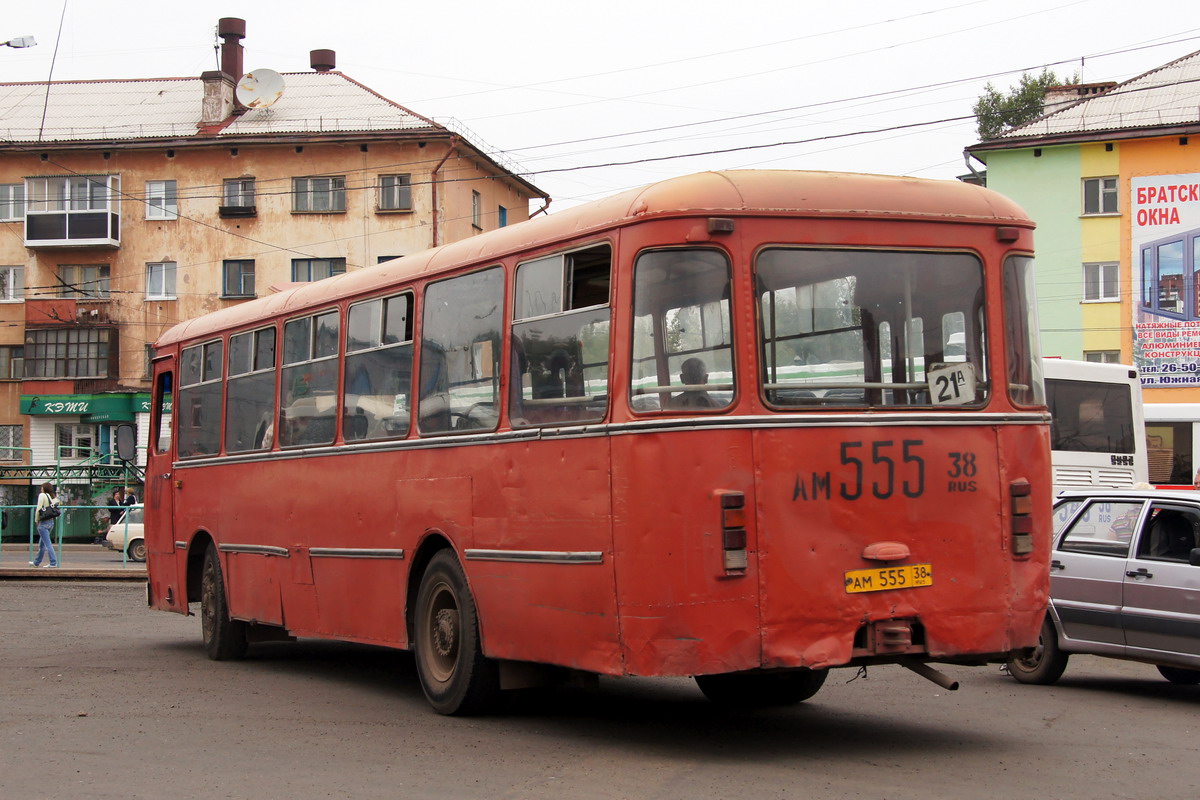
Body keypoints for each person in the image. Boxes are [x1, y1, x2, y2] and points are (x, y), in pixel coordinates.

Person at [30, 482, 61, 569]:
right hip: (51, 522)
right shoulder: (53, 497)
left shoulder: (42, 495)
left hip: (43, 523)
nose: (41, 489)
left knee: (47, 544)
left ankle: (53, 562)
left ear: (44, 488)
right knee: (42, 544)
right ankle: (36, 562)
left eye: (41, 487)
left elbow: (38, 509)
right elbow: (57, 505)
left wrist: (36, 520)